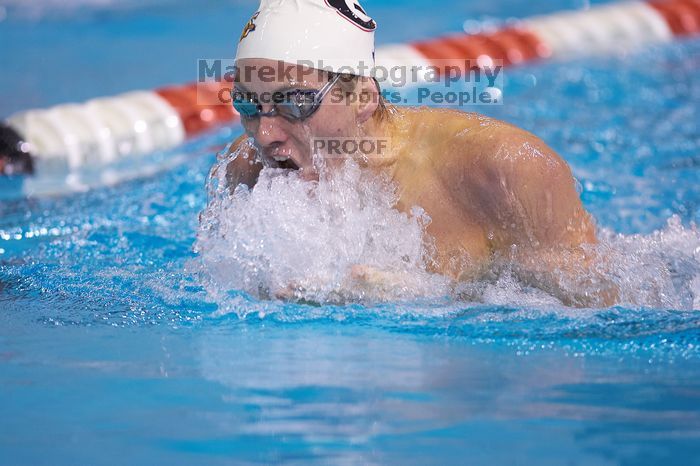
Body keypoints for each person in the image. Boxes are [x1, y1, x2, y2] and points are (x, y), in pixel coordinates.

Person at [220, 0, 618, 307]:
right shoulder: (247, 170)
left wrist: (438, 299)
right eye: (248, 105)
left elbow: (601, 314)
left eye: (295, 102)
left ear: (362, 96)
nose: (266, 134)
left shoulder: (504, 171)